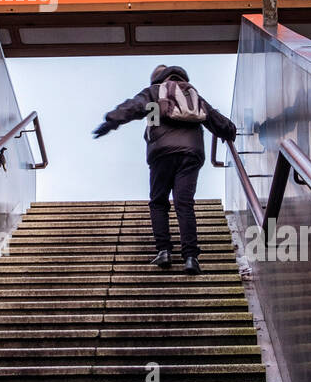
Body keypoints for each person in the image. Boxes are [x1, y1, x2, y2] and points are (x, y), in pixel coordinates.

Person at [92, 64, 236, 274]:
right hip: (191, 153)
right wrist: (229, 131)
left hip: (162, 154)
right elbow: (213, 117)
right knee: (184, 203)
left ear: (155, 79)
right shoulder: (191, 92)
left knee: (159, 202)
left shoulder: (154, 91)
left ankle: (164, 251)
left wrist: (111, 121)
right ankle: (190, 257)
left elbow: (135, 107)